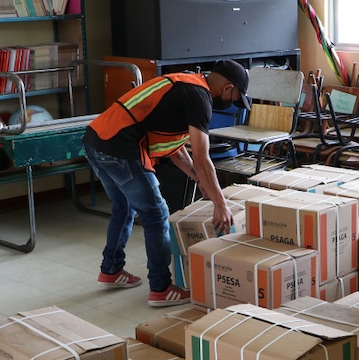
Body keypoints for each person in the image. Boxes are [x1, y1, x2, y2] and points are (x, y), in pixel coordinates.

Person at [83, 59, 249, 307]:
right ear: (227, 88)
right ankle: (161, 288)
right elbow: (202, 157)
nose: (232, 102)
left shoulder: (185, 85)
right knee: (156, 214)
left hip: (96, 141)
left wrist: (198, 179)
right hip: (121, 148)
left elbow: (175, 148)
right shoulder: (200, 97)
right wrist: (220, 203)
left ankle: (111, 271)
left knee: (124, 207)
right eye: (235, 97)